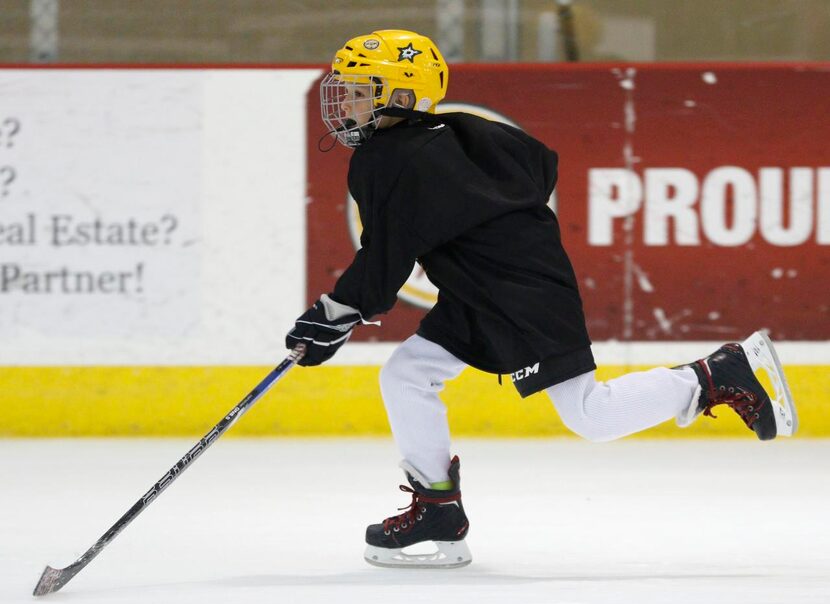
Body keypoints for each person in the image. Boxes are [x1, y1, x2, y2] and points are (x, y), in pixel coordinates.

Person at [286, 29, 798, 569]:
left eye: (360, 89)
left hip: (522, 295)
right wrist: (344, 308)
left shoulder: (394, 157)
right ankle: (438, 507)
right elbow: (531, 165)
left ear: (404, 96)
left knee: (590, 415)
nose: (345, 101)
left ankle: (715, 375)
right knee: (408, 373)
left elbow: (387, 255)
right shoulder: (452, 135)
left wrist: (334, 313)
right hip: (483, 291)